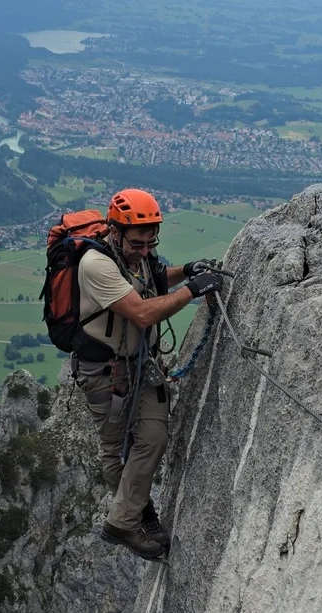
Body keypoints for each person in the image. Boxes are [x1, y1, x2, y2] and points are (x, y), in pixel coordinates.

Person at [72, 188, 223, 559]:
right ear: (115, 231)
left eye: (149, 242)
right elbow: (141, 312)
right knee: (115, 450)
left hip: (141, 363)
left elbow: (151, 280)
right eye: (137, 243)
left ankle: (130, 512)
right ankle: (126, 522)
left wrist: (185, 271)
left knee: (153, 436)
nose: (144, 251)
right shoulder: (96, 264)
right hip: (105, 373)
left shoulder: (136, 254)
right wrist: (191, 290)